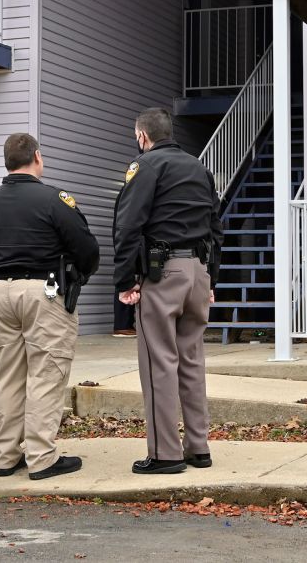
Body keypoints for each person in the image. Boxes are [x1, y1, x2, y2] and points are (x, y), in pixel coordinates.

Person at [0, 133, 100, 480]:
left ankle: (5, 456)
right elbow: (87, 249)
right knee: (47, 374)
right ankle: (41, 457)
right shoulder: (54, 200)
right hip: (43, 293)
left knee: (8, 377)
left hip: (1, 292)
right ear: (37, 157)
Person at [113, 108, 223, 475]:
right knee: (191, 361)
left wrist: (125, 280)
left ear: (142, 136)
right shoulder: (200, 169)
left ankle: (165, 454)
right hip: (197, 271)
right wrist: (211, 280)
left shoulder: (145, 166)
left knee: (159, 361)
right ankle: (198, 447)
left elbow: (128, 224)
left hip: (163, 273)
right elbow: (215, 227)